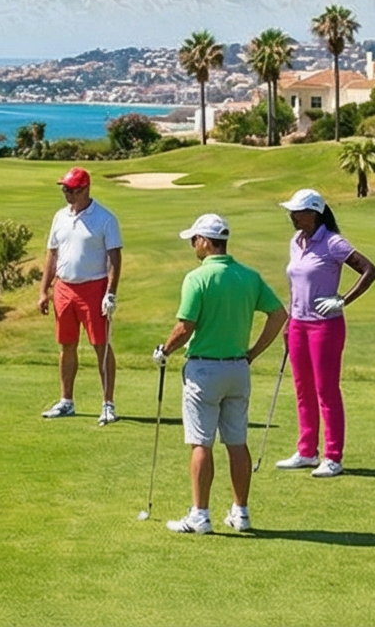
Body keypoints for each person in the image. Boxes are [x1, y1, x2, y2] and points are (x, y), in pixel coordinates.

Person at [154, 212, 286, 534]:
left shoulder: (197, 278)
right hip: (238, 370)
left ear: (204, 241)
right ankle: (240, 514)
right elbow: (279, 314)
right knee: (237, 443)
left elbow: (186, 326)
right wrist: (252, 354)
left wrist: (164, 350)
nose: (191, 246)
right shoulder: (249, 276)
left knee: (201, 443)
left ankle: (200, 515)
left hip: (204, 371)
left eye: (193, 240)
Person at [272, 188, 375, 477]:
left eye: (297, 211)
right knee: (302, 389)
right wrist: (289, 321)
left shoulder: (333, 243)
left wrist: (342, 299)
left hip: (325, 327)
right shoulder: (296, 241)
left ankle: (333, 456)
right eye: (291, 211)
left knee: (326, 390)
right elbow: (296, 285)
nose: (291, 216)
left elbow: (369, 270)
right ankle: (307, 451)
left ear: (314, 213)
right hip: (298, 325)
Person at [38, 167, 123, 425]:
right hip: (64, 289)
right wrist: (44, 290)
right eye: (64, 189)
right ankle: (66, 401)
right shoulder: (60, 217)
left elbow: (114, 259)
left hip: (94, 289)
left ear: (85, 189)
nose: (66, 193)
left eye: (71, 190)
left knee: (101, 347)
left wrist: (110, 293)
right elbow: (52, 254)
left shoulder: (105, 218)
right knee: (66, 345)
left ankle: (108, 404)